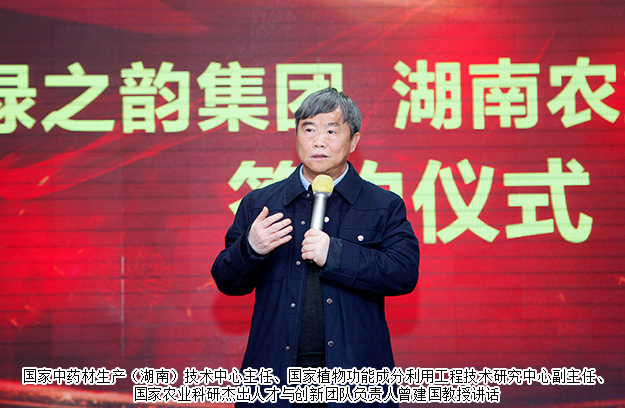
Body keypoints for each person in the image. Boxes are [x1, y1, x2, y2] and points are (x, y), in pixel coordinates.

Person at [211, 87, 420, 407]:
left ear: (354, 141)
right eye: (308, 130)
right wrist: (251, 248)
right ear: (296, 136)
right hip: (275, 382)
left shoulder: (383, 205)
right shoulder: (261, 204)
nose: (318, 141)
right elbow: (227, 281)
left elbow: (403, 274)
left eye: (331, 131)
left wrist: (335, 254)